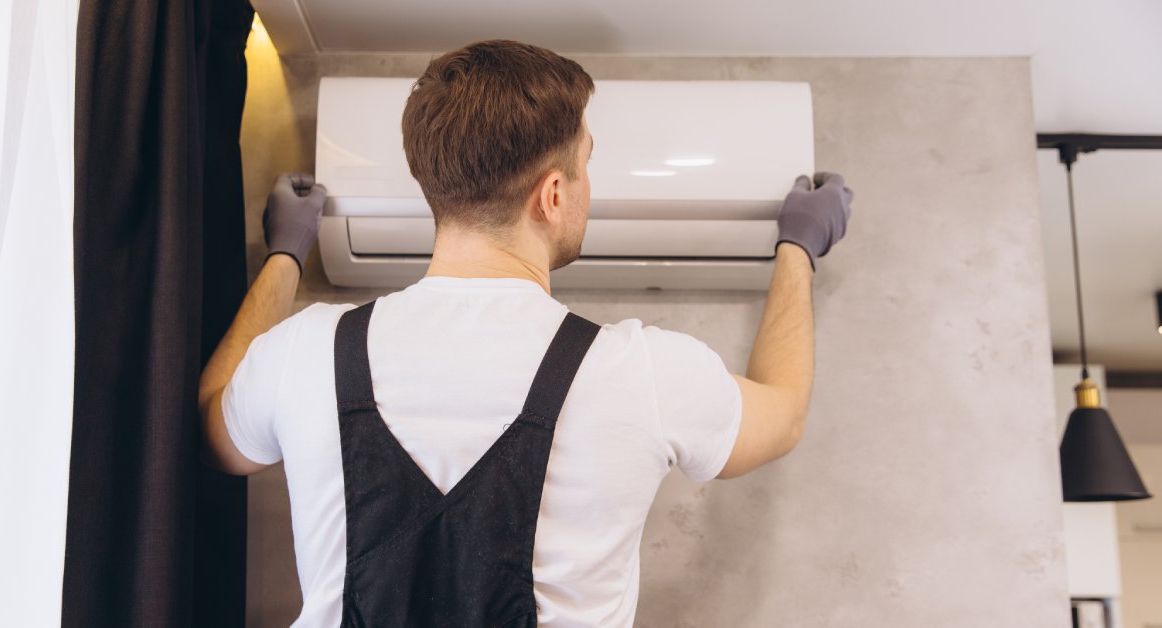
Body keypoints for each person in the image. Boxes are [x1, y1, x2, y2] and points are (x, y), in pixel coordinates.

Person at [199, 40, 852, 628]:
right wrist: (798, 247)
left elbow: (214, 431)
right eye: (587, 164)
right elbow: (783, 413)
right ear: (553, 194)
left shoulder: (306, 351)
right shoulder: (642, 372)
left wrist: (285, 255)